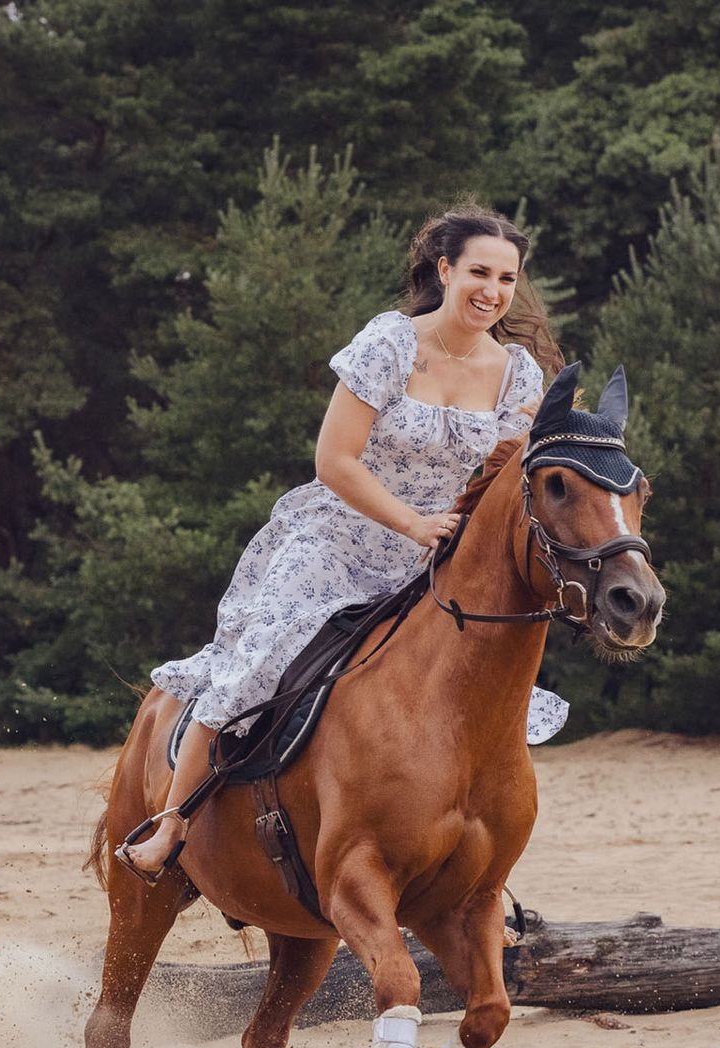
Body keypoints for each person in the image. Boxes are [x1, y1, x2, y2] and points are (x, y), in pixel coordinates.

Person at [120, 203, 570, 876]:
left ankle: (474, 874)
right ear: (445, 270)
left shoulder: (518, 376)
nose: (493, 291)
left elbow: (509, 485)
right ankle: (173, 821)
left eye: (507, 279)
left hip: (435, 559)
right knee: (260, 657)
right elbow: (335, 461)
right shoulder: (388, 343)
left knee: (478, 694)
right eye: (479, 271)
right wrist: (413, 522)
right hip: (339, 540)